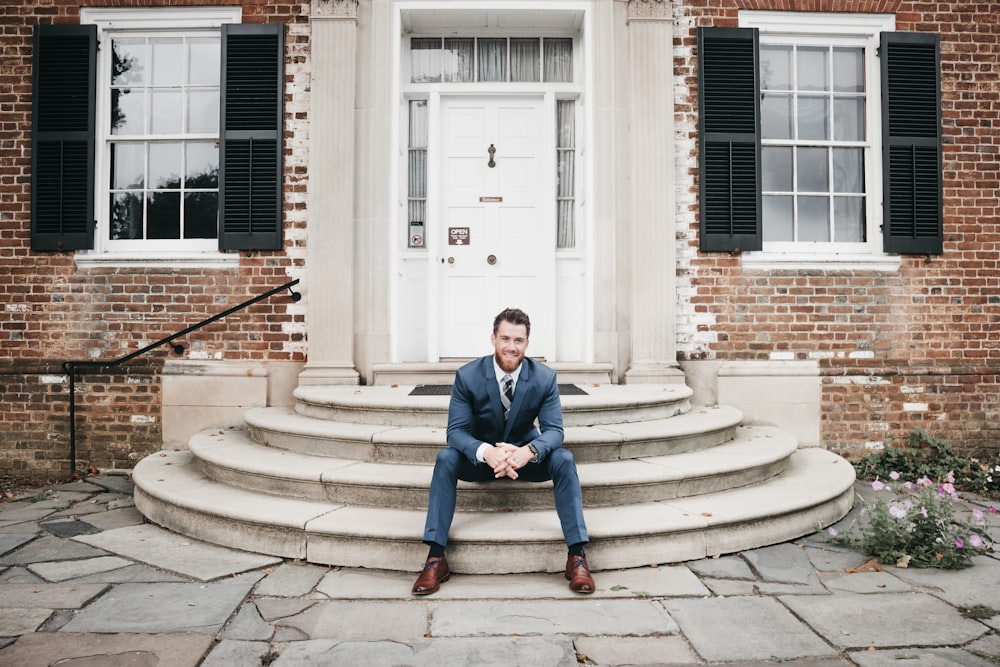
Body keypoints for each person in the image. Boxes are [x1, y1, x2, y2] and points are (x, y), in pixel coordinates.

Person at [412, 307, 595, 595]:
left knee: (564, 458)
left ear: (527, 343)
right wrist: (486, 452)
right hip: (482, 461)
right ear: (493, 339)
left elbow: (555, 431)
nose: (512, 347)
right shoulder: (468, 375)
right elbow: (455, 432)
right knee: (446, 457)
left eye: (518, 341)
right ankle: (435, 558)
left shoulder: (544, 377)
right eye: (505, 339)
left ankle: (577, 557)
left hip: (524, 459)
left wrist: (529, 451)